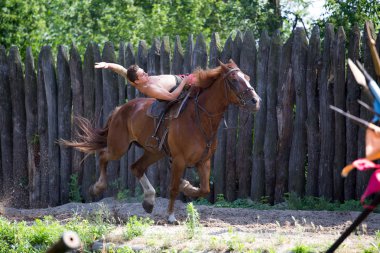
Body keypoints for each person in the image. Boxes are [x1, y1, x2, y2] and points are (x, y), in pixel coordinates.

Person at [95, 62, 195, 101]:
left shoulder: (135, 78)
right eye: (142, 74)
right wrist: (184, 82)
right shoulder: (150, 88)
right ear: (137, 81)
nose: (146, 74)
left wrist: (107, 64)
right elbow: (172, 97)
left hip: (183, 78)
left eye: (144, 72)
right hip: (185, 83)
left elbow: (121, 69)